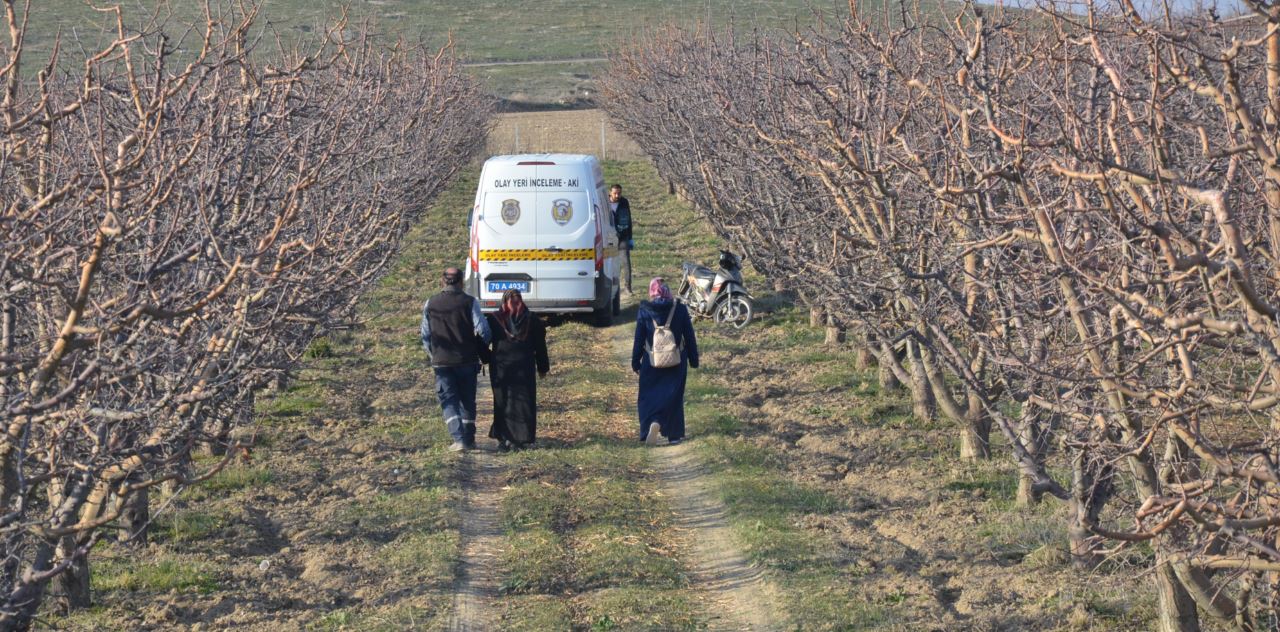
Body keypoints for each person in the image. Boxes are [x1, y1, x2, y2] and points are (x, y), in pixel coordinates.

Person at [421, 267, 491, 451]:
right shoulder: (470, 302)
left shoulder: (431, 303)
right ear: (462, 282)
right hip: (467, 360)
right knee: (468, 400)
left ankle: (458, 439)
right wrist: (479, 347)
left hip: (442, 362)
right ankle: (468, 439)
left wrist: (433, 354)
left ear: (442, 281)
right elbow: (483, 330)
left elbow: (425, 334)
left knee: (449, 400)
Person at [631, 277, 699, 445]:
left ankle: (650, 425)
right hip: (676, 360)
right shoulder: (680, 309)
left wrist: (635, 361)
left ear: (652, 292)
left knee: (648, 396)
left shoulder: (644, 311)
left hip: (651, 360)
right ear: (668, 293)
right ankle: (674, 435)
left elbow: (639, 339)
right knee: (673, 397)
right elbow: (689, 336)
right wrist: (693, 359)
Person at [484, 289, 550, 451]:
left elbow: (482, 340)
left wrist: (487, 357)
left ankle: (504, 438)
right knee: (523, 402)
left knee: (502, 401)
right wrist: (543, 367)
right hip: (524, 367)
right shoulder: (533, 320)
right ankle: (520, 439)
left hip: (501, 367)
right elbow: (540, 347)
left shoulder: (494, 319)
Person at [610, 184, 633, 294]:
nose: (617, 195)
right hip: (609, 238)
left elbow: (629, 220)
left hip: (623, 237)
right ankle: (612, 287)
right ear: (610, 193)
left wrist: (630, 238)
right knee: (611, 263)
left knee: (626, 262)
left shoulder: (624, 202)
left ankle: (628, 287)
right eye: (615, 193)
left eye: (619, 193)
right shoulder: (605, 202)